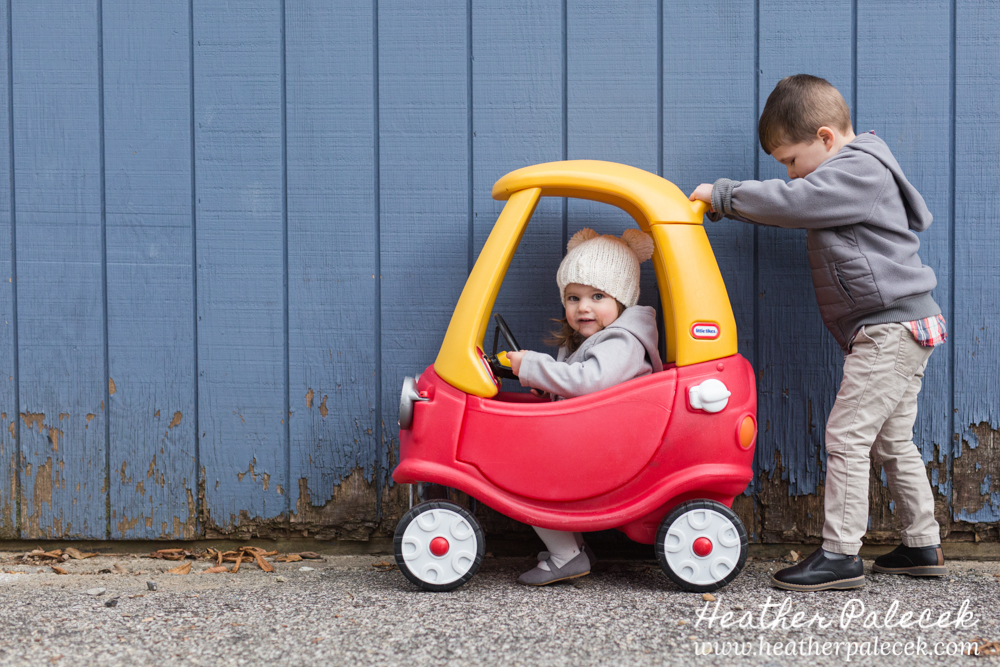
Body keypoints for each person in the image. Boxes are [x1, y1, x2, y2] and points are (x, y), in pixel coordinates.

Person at [689, 74, 948, 592]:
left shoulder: (856, 171)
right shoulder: (854, 171)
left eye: (790, 160)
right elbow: (799, 199)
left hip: (890, 328)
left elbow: (794, 203)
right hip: (899, 325)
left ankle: (840, 555)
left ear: (827, 138)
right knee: (894, 441)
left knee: (847, 436)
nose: (789, 173)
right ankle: (922, 543)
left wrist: (723, 195)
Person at [505, 227, 663, 586]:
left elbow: (590, 382)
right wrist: (549, 392)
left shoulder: (621, 341)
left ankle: (566, 555)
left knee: (523, 475)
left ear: (622, 299)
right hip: (599, 440)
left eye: (597, 295)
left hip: (615, 451)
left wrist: (533, 366)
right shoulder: (598, 340)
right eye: (573, 298)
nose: (584, 307)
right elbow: (585, 390)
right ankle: (572, 548)